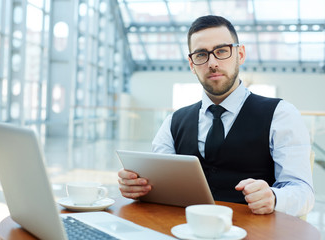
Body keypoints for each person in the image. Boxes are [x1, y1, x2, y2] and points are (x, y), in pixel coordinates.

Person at [118, 15, 314, 217]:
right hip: (185, 230)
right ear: (192, 64)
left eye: (221, 51)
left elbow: (303, 191)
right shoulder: (173, 122)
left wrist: (274, 197)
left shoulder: (281, 114)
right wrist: (139, 186)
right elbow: (159, 184)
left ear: (240, 54)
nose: (212, 63)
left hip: (255, 232)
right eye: (201, 55)